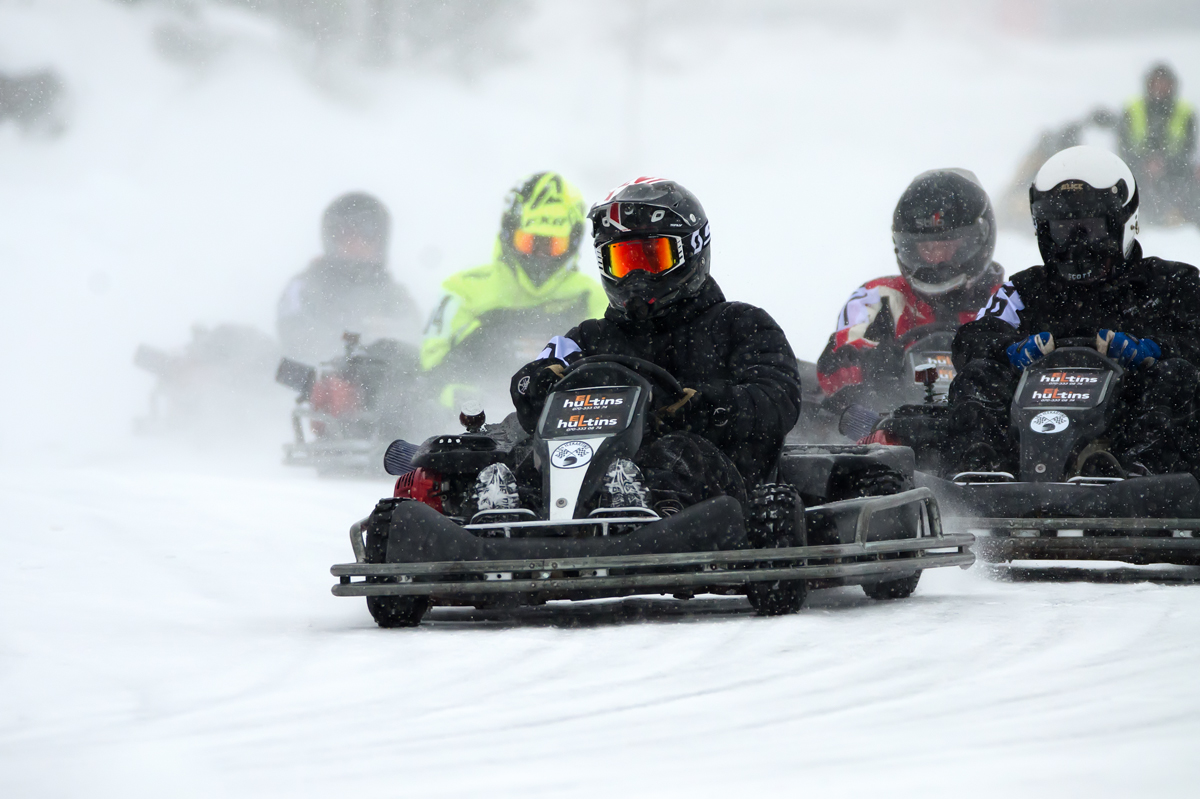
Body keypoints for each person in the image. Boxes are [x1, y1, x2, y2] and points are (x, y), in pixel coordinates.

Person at [475, 177, 802, 515]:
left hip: (720, 495)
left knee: (677, 450)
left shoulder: (740, 324)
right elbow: (528, 384)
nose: (636, 277)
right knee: (526, 449)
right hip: (587, 481)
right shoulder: (588, 339)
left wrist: (695, 408)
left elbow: (778, 399)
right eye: (625, 262)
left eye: (651, 258)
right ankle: (513, 510)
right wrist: (540, 386)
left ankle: (644, 506)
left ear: (690, 252)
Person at [945, 145, 1200, 475]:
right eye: (1063, 230)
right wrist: (1009, 351)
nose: (1077, 244)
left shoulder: (1173, 283)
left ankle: (1139, 469)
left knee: (1176, 375)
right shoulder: (1026, 290)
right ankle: (981, 469)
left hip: (1131, 433)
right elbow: (971, 339)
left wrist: (1152, 353)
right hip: (1031, 429)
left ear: (1123, 223)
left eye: (1090, 229)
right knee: (979, 374)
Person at [816, 169, 1004, 440]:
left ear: (978, 240)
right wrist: (877, 365)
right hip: (896, 434)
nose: (937, 259)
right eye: (926, 248)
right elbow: (837, 368)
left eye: (949, 245)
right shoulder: (877, 297)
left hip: (985, 431)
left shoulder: (1006, 300)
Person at [419, 171, 607, 410]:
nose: (541, 257)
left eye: (553, 246)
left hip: (567, 423)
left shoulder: (594, 297)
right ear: (509, 234)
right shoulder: (463, 290)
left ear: (573, 241)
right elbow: (428, 372)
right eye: (530, 242)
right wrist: (455, 395)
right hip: (473, 428)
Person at [276, 192, 422, 363]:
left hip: (381, 384)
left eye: (367, 231)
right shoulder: (306, 286)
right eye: (346, 231)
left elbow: (414, 336)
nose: (356, 241)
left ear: (381, 239)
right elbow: (297, 338)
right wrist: (359, 337)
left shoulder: (393, 293)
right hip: (319, 384)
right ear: (331, 238)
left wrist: (385, 339)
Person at [1116, 63, 1198, 224]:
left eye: (1164, 83)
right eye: (1156, 82)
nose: (1160, 87)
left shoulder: (1185, 111)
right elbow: (1123, 146)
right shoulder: (1132, 108)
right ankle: (1138, 214)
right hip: (1138, 168)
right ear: (1148, 85)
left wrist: (1165, 163)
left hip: (1175, 169)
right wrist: (1145, 162)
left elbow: (1189, 148)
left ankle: (1179, 213)